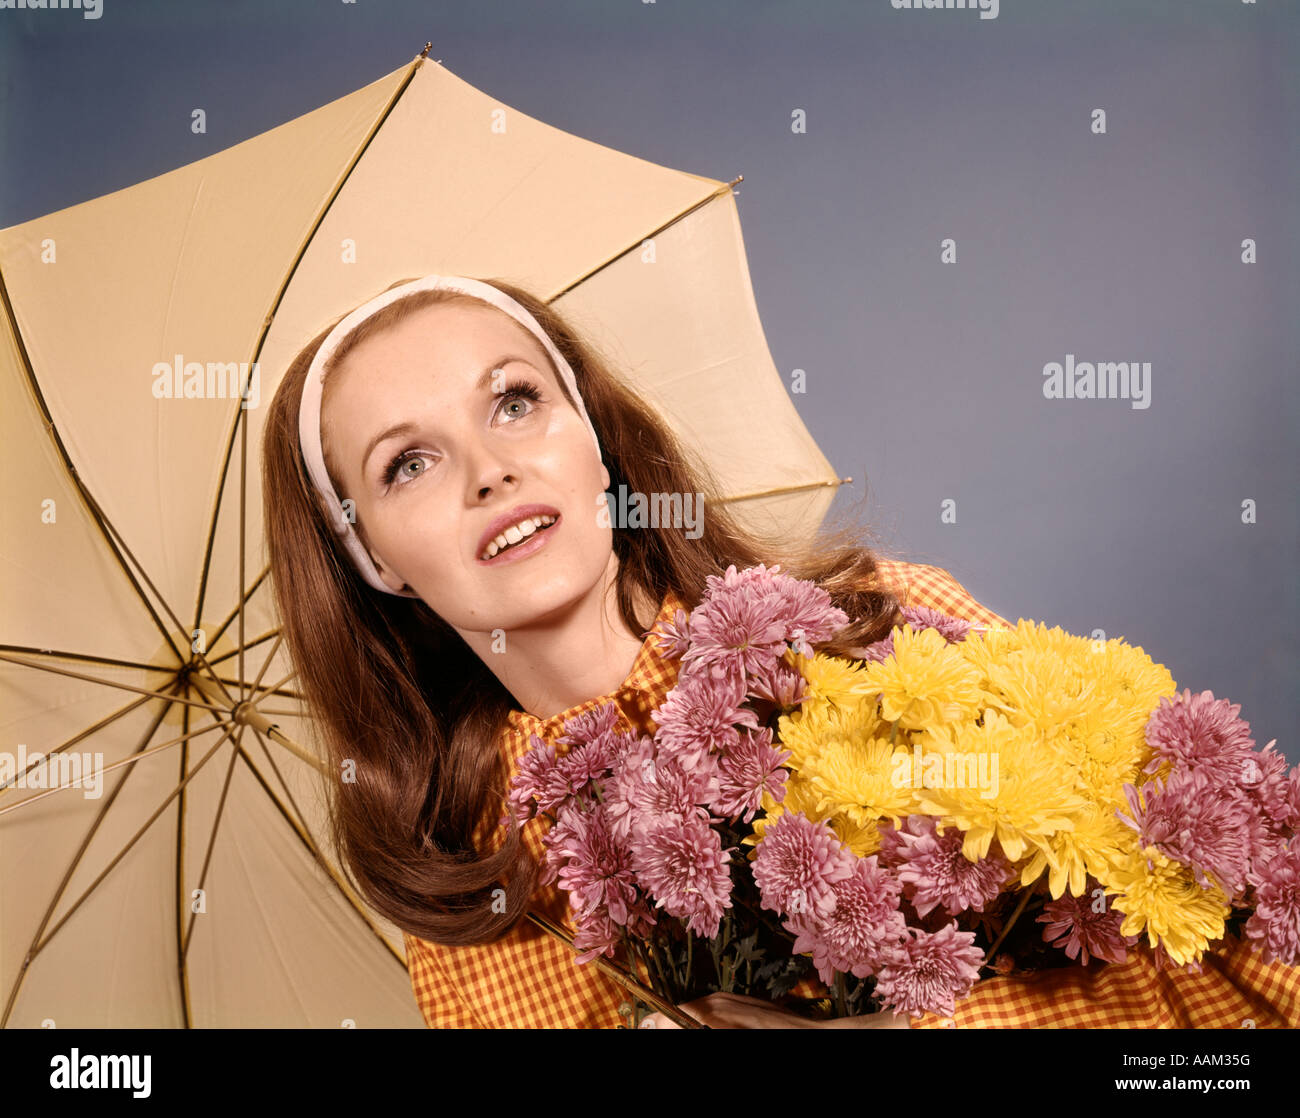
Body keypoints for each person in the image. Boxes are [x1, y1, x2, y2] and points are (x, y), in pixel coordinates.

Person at [262, 274, 1299, 1029]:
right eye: (406, 463)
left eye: (514, 400)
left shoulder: (880, 629)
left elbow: (1214, 984)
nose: (489, 469)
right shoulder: (473, 901)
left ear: (592, 432)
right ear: (369, 555)